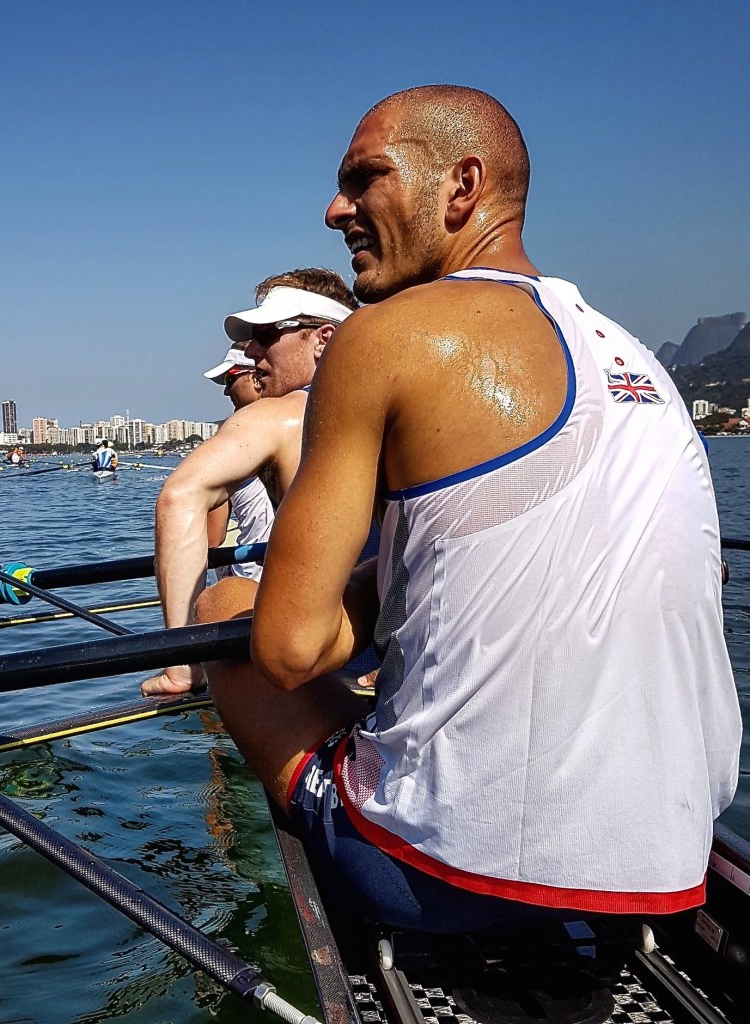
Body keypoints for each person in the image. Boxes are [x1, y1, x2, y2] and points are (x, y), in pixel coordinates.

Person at [198, 86, 742, 933]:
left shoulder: (385, 334)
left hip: (454, 877)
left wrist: (376, 604)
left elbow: (289, 649)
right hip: (674, 860)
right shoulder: (639, 358)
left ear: (462, 186)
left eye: (365, 178)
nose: (335, 209)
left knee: (224, 606)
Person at [140, 268, 356, 696]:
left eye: (267, 334)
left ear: (323, 339)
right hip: (389, 659)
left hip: (316, 676)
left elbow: (178, 498)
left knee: (222, 599)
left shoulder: (279, 415)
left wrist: (183, 666)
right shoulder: (398, 404)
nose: (253, 350)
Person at [201, 344, 275, 583]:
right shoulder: (305, 422)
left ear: (256, 377)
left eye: (230, 379)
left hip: (253, 579)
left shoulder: (228, 438)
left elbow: (213, 538)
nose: (226, 391)